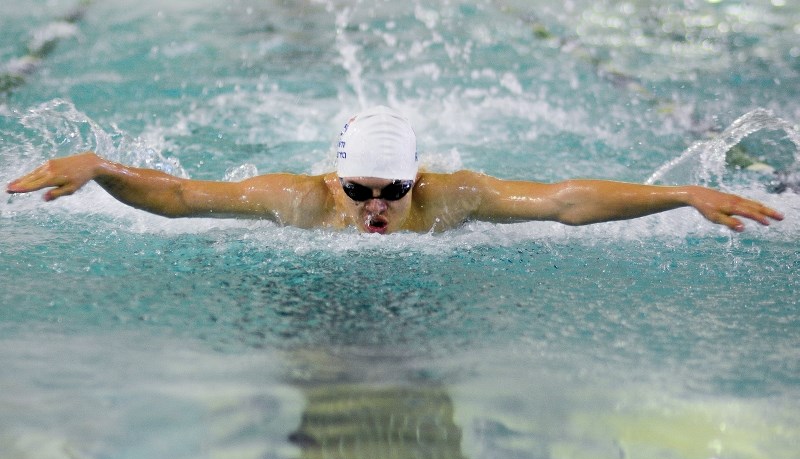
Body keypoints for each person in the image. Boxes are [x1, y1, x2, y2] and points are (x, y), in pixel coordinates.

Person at [6, 106, 784, 234]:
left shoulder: (454, 199)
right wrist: (100, 166)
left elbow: (561, 202)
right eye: (359, 191)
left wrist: (683, 192)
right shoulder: (298, 202)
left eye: (392, 191)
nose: (374, 208)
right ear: (332, 179)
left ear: (419, 179)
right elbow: (178, 198)